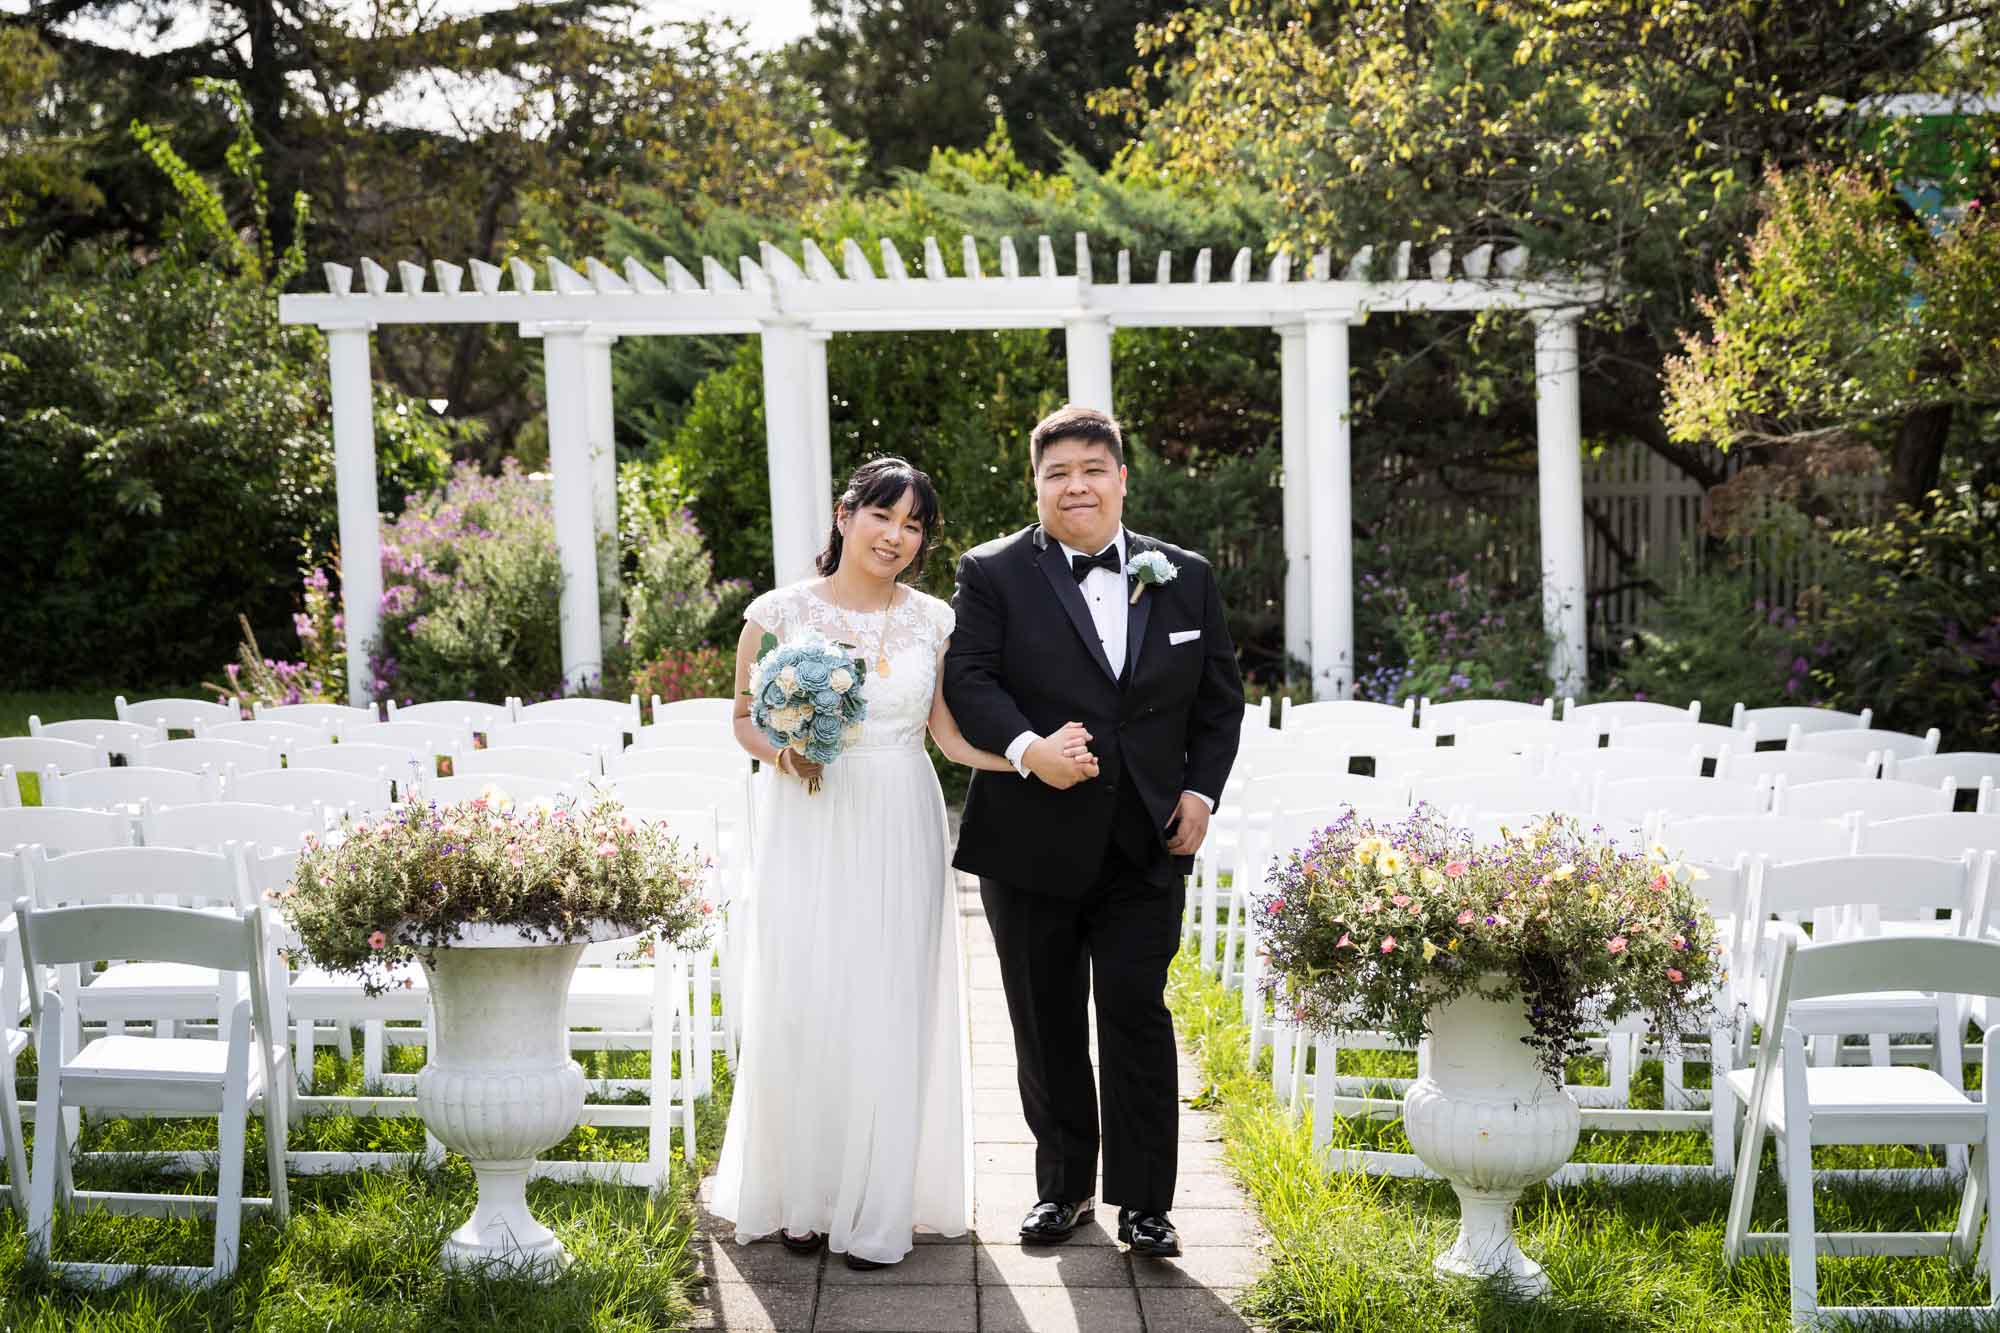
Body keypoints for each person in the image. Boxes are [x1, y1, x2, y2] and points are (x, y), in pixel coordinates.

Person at [709, 456, 1097, 1270]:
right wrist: (785, 756)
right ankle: (805, 1194)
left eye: (914, 524)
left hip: (901, 813)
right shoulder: (777, 613)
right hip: (810, 817)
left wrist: (1033, 757)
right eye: (884, 516)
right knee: (808, 994)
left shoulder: (933, 620)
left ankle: (880, 1197)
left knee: (890, 997)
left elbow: (951, 737)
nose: (897, 536)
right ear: (845, 514)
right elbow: (744, 717)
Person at [944, 405, 1244, 1259]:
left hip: (1148, 842)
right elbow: (969, 678)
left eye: (1091, 468)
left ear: (1121, 476)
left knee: (1135, 1011)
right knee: (1044, 1021)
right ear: (1035, 484)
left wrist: (1199, 790)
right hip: (1029, 842)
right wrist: (1030, 748)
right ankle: (1063, 1187)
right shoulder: (992, 572)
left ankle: (1148, 1202)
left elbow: (1219, 703)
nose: (1075, 485)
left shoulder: (1184, 575)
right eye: (1056, 473)